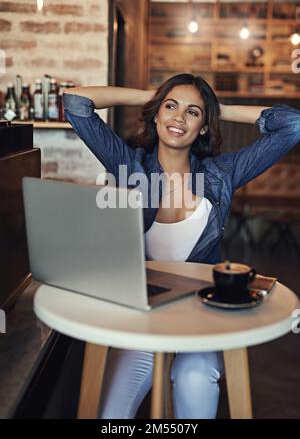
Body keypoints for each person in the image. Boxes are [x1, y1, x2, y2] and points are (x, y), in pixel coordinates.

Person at [63, 73, 300, 419]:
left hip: (201, 317)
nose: (178, 117)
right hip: (144, 317)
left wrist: (219, 109)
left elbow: (293, 126)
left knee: (195, 378)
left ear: (203, 126)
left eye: (192, 113)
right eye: (170, 107)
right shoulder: (130, 166)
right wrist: (154, 95)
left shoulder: (222, 174)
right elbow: (76, 103)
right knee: (111, 413)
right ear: (156, 114)